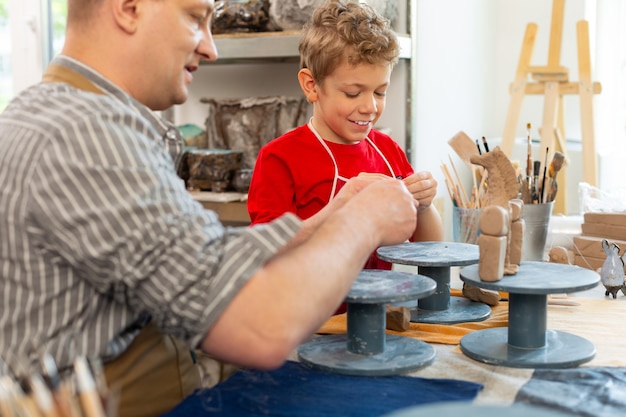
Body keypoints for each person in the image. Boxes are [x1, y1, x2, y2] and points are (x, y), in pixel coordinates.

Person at [0, 0, 420, 416]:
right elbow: (261, 327)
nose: (210, 48)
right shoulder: (85, 136)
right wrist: (364, 220)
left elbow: (202, 261)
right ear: (128, 9)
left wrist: (337, 210)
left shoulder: (56, 115)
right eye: (195, 18)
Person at [247, 0, 444, 273]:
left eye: (380, 92)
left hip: (379, 309)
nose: (370, 107)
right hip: (311, 313)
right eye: (353, 93)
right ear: (311, 85)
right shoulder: (279, 158)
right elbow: (263, 251)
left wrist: (423, 206)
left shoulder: (387, 151)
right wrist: (342, 203)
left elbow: (431, 249)